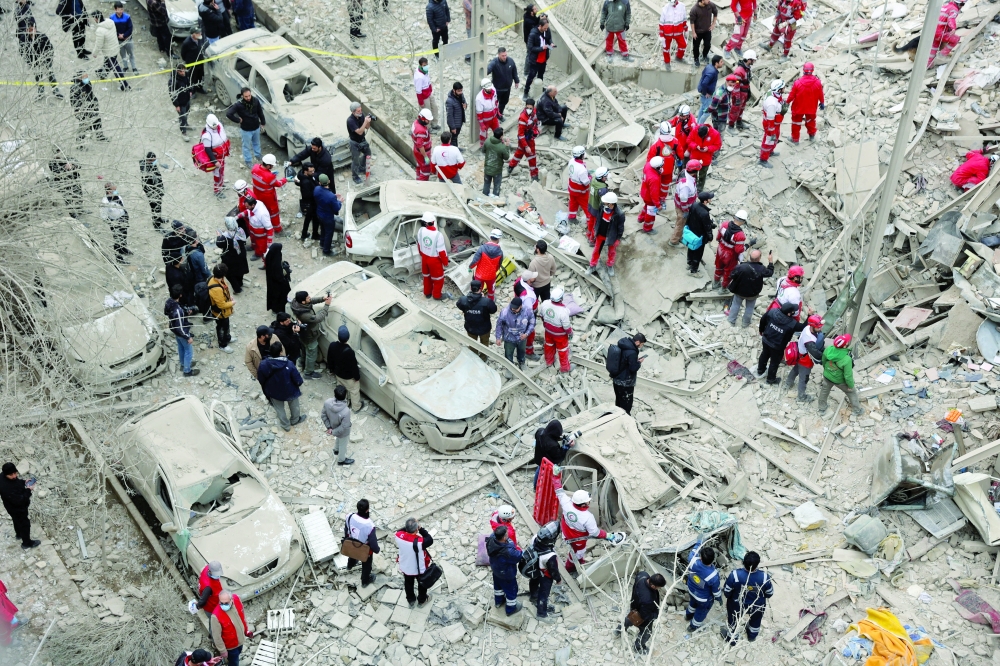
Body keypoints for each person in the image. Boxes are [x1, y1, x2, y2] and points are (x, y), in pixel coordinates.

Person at [553, 468, 614, 572]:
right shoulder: (587, 517)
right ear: (584, 504)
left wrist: (555, 476)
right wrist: (608, 535)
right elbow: (595, 532)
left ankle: (576, 560)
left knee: (573, 547)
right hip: (578, 539)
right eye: (588, 501)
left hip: (566, 530)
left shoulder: (566, 502)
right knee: (578, 553)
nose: (589, 503)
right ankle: (570, 567)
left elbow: (558, 490)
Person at [722, 551, 774, 646]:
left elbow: (727, 591)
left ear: (743, 562)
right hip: (757, 605)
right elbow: (769, 593)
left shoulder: (735, 575)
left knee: (733, 620)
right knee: (756, 619)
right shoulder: (764, 577)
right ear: (757, 564)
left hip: (737, 604)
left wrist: (729, 598)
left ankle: (732, 639)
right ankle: (752, 636)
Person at [257, 341, 305, 430]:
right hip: (290, 390)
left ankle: (285, 425)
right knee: (294, 406)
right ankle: (295, 420)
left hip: (274, 391)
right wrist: (299, 383)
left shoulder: (263, 364)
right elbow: (298, 379)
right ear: (280, 352)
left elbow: (261, 379)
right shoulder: (289, 364)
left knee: (280, 409)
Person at [757, 301, 805, 384]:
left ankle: (760, 370)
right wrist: (810, 315)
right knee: (774, 362)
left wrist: (761, 331)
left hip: (766, 339)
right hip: (777, 346)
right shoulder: (792, 324)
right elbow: (803, 327)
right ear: (789, 314)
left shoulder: (772, 312)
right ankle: (771, 379)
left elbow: (762, 320)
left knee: (764, 354)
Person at [616, 571, 665, 654]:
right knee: (646, 633)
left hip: (634, 606)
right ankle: (638, 647)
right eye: (658, 588)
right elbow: (644, 616)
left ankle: (619, 629)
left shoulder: (642, 575)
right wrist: (655, 615)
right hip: (642, 614)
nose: (658, 589)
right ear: (653, 586)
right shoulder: (648, 599)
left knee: (630, 618)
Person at [818, 334, 864, 415]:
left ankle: (822, 408)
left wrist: (827, 371)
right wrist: (850, 386)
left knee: (824, 391)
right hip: (839, 380)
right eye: (847, 342)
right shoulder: (847, 359)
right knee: (851, 392)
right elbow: (848, 375)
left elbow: (824, 361)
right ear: (845, 345)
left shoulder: (828, 349)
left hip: (827, 376)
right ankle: (857, 410)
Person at [726, 249, 773, 327]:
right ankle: (745, 323)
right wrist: (770, 261)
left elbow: (731, 275)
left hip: (739, 291)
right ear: (759, 258)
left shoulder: (741, 267)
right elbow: (770, 273)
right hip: (753, 293)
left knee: (735, 305)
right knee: (749, 308)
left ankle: (731, 320)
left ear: (750, 257)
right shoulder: (761, 269)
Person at [290, 290, 331, 378]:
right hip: (310, 336)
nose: (310, 298)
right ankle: (308, 372)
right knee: (312, 354)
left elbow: (310, 301)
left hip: (303, 334)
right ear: (303, 302)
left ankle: (302, 362)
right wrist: (327, 305)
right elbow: (319, 318)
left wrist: (322, 299)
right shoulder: (305, 315)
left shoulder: (297, 303)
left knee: (304, 350)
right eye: (308, 297)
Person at [395, 518, 434, 607]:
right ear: (416, 530)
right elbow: (430, 539)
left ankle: (411, 600)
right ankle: (422, 600)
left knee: (408, 583)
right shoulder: (420, 542)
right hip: (419, 568)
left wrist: (409, 527)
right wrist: (420, 528)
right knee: (422, 584)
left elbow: (399, 530)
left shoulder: (398, 536)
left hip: (406, 566)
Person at [785, 314, 824, 402]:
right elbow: (816, 354)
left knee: (796, 369)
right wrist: (824, 356)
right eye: (818, 327)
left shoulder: (807, 328)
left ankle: (788, 383)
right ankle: (801, 396)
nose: (820, 329)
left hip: (800, 352)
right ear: (813, 326)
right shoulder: (809, 340)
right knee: (804, 378)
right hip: (806, 359)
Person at [0, 463, 39, 549]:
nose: (14, 476)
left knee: (16, 520)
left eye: (15, 473)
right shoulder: (6, 488)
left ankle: (19, 534)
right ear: (6, 474)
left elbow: (15, 482)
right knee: (25, 524)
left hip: (9, 507)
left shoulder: (2, 475)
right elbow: (20, 500)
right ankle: (27, 543)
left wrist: (24, 482)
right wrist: (29, 490)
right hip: (18, 508)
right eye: (11, 475)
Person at [486, 525, 523, 615]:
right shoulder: (508, 551)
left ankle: (498, 602)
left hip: (495, 569)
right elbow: (518, 557)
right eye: (507, 534)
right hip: (506, 574)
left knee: (498, 587)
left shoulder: (491, 538)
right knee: (511, 591)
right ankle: (511, 609)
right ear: (504, 537)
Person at [684, 544, 721, 633]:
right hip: (703, 599)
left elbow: (693, 551)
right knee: (701, 612)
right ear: (713, 560)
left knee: (692, 603)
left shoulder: (693, 561)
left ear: (700, 557)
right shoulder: (713, 575)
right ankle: (693, 626)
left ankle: (688, 615)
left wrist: (699, 542)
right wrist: (719, 599)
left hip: (691, 590)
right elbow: (716, 591)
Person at [210, 590, 253, 666]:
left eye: (226, 603)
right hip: (231, 647)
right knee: (234, 662)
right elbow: (217, 636)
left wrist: (246, 631)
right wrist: (223, 651)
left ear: (231, 600)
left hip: (240, 640)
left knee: (238, 654)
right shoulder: (216, 616)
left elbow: (242, 617)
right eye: (221, 603)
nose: (223, 605)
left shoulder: (236, 599)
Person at [226, 87, 266, 169]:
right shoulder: (238, 104)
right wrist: (237, 120)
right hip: (246, 130)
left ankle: (258, 155)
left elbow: (260, 112)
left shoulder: (255, 100)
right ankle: (248, 161)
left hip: (256, 127)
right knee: (246, 146)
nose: (248, 98)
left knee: (257, 143)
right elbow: (229, 114)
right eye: (246, 96)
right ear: (242, 96)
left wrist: (263, 122)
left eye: (249, 95)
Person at [19, 19, 60, 100]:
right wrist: (30, 62)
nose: (31, 31)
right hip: (34, 62)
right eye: (28, 29)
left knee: (51, 75)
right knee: (38, 77)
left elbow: (50, 49)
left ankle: (56, 91)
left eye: (32, 29)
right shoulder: (23, 39)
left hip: (45, 60)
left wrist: (48, 61)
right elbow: (22, 52)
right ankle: (41, 92)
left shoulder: (43, 37)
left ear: (35, 29)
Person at [785, 62, 825, 143]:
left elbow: (792, 95)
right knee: (811, 121)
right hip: (811, 107)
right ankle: (812, 136)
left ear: (803, 70)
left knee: (796, 123)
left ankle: (795, 139)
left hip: (798, 107)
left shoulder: (797, 82)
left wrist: (787, 102)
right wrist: (822, 102)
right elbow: (820, 94)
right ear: (813, 70)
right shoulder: (817, 82)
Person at [588, 191, 625, 276]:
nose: (604, 204)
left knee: (611, 252)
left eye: (606, 203)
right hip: (600, 235)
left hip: (611, 236)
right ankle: (592, 265)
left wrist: (618, 239)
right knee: (596, 250)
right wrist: (595, 230)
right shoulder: (602, 207)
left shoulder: (619, 214)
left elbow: (620, 228)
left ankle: (610, 265)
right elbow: (598, 219)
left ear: (611, 204)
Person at [91, 11, 130, 91]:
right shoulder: (110, 22)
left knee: (115, 67)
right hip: (115, 47)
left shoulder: (100, 30)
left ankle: (124, 84)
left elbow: (99, 44)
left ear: (96, 18)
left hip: (109, 51)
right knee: (108, 62)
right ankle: (102, 73)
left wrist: (95, 53)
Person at [165, 284, 199, 376]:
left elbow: (166, 312)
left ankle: (183, 364)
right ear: (180, 295)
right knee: (188, 350)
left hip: (174, 330)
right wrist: (187, 337)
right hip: (181, 332)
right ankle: (187, 370)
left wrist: (185, 314)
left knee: (181, 347)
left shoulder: (169, 302)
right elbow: (180, 327)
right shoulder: (178, 311)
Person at [713, 209, 752, 290]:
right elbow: (739, 250)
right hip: (730, 255)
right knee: (728, 272)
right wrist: (748, 245)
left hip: (720, 249)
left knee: (718, 266)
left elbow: (718, 237)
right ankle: (723, 289)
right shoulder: (740, 235)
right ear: (743, 221)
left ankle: (715, 283)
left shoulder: (724, 224)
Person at [327, 326, 363, 411]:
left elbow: (329, 359)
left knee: (342, 390)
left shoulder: (332, 345)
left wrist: (331, 370)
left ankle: (345, 403)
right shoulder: (349, 352)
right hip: (349, 378)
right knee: (354, 391)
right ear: (348, 337)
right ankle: (356, 407)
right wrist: (357, 377)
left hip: (338, 374)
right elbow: (353, 367)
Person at [345, 500, 379, 586]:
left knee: (352, 555)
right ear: (367, 510)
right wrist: (377, 550)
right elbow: (373, 544)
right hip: (364, 548)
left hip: (352, 543)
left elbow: (346, 530)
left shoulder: (349, 516)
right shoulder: (370, 525)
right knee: (366, 565)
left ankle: (350, 565)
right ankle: (365, 581)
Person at [417, 212, 450, 300]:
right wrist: (445, 262)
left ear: (424, 222)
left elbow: (419, 245)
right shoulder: (438, 235)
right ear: (433, 221)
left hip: (424, 258)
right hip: (434, 260)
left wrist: (422, 254)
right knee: (438, 279)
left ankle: (427, 293)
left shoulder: (421, 231)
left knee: (426, 277)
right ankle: (436, 295)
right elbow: (441, 251)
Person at [495, 297, 534, 369]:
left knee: (522, 351)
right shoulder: (505, 312)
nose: (513, 309)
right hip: (509, 338)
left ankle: (521, 362)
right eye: (512, 307)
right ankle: (509, 367)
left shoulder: (528, 311)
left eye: (515, 308)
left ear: (521, 306)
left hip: (522, 338)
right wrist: (498, 337)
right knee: (508, 353)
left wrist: (527, 334)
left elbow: (532, 323)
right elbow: (499, 325)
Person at [610, 332, 645, 414]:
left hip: (616, 379)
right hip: (625, 383)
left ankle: (616, 417)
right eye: (642, 344)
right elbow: (633, 368)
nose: (641, 346)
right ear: (637, 342)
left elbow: (624, 361)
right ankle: (624, 420)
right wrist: (639, 363)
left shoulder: (623, 345)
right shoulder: (632, 352)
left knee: (618, 401)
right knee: (626, 405)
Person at [252, 154, 287, 234]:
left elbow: (261, 176)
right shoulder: (269, 176)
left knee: (261, 210)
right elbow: (278, 184)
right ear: (268, 165)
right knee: (273, 213)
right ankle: (278, 229)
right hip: (268, 197)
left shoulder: (255, 167)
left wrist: (270, 173)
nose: (272, 167)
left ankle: (264, 225)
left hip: (257, 194)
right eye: (271, 165)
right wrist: (285, 179)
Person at [540, 286, 572, 373]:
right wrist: (570, 333)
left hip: (548, 332)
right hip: (560, 335)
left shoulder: (545, 303)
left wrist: (546, 324)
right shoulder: (563, 310)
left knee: (549, 345)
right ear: (561, 298)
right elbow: (566, 326)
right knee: (562, 351)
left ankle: (549, 361)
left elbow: (541, 316)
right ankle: (565, 368)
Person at [457, 280, 497, 346]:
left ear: (470, 288)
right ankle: (483, 356)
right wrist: (483, 298)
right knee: (484, 345)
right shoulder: (486, 302)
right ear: (481, 288)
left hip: (470, 327)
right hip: (484, 328)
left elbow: (459, 305)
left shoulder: (463, 300)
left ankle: (474, 355)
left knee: (472, 345)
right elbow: (493, 310)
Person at [646, 123, 676, 210]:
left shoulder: (655, 144)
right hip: (668, 169)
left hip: (657, 170)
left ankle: (656, 201)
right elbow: (680, 153)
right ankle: (661, 200)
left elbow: (649, 159)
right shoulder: (675, 141)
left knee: (656, 186)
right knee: (665, 186)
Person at [507, 98, 540, 181]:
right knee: (529, 156)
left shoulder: (534, 112)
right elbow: (521, 135)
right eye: (527, 108)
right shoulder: (523, 118)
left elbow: (535, 121)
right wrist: (526, 146)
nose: (529, 110)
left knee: (521, 153)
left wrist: (537, 129)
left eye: (530, 108)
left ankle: (512, 166)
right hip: (524, 139)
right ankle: (534, 175)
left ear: (533, 107)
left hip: (530, 137)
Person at [70, 72, 107, 144]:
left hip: (91, 107)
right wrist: (82, 107)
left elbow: (91, 95)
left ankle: (100, 136)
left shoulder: (88, 84)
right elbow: (74, 101)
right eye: (85, 77)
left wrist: (95, 102)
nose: (87, 78)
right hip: (82, 110)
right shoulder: (75, 87)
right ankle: (79, 142)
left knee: (97, 119)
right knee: (84, 125)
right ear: (80, 78)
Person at [669, 159, 700, 244]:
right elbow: (683, 200)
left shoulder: (684, 171)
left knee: (680, 222)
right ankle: (674, 241)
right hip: (683, 208)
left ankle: (678, 233)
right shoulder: (686, 185)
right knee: (681, 225)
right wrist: (685, 211)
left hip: (681, 205)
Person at [323, 385, 355, 465]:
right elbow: (344, 426)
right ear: (345, 396)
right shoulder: (346, 411)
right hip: (342, 431)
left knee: (338, 438)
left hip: (333, 426)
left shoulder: (327, 402)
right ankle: (341, 460)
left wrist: (329, 428)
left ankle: (336, 450)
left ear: (334, 394)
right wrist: (333, 432)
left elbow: (323, 415)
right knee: (343, 445)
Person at [216, 219, 249, 295]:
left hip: (230, 257)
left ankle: (237, 289)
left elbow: (219, 244)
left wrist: (219, 236)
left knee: (229, 274)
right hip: (241, 254)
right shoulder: (240, 230)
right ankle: (240, 283)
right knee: (240, 268)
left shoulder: (225, 238)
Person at [685, 191, 715, 274]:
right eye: (709, 198)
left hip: (691, 232)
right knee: (698, 253)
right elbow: (707, 228)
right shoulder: (705, 213)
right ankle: (693, 270)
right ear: (705, 201)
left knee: (691, 247)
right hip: (700, 236)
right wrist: (710, 237)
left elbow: (690, 217)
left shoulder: (694, 205)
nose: (711, 199)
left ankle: (689, 262)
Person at [207, 263, 235, 352]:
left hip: (224, 312)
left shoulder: (214, 278)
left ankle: (227, 337)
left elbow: (225, 290)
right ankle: (222, 345)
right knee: (221, 327)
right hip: (220, 313)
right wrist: (232, 303)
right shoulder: (216, 289)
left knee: (226, 325)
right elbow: (221, 305)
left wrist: (228, 297)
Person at [313, 174, 343, 256]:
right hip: (328, 217)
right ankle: (326, 251)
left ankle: (322, 244)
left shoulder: (316, 189)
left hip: (319, 214)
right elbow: (336, 208)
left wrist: (333, 196)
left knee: (323, 229)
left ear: (319, 183)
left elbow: (323, 197)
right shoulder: (331, 196)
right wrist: (339, 201)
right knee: (329, 233)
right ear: (329, 181)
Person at [469, 230, 504, 300]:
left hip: (479, 275)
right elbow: (498, 265)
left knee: (477, 290)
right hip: (491, 276)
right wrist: (494, 270)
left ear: (490, 237)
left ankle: (477, 301)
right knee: (491, 291)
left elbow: (475, 261)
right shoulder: (500, 252)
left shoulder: (482, 248)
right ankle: (490, 301)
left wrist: (470, 267)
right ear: (499, 239)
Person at [100, 182, 130, 263]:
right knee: (117, 240)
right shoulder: (105, 202)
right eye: (114, 190)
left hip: (123, 218)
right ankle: (118, 257)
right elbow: (103, 216)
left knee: (124, 236)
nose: (116, 191)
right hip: (115, 222)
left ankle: (123, 249)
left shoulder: (118, 197)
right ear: (109, 191)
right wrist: (112, 224)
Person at [524, 17, 554, 99]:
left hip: (543, 58)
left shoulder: (547, 30)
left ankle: (539, 88)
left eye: (547, 28)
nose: (546, 29)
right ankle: (526, 91)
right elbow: (530, 48)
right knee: (531, 76)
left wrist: (551, 43)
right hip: (535, 59)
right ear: (540, 26)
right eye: (545, 28)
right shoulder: (533, 34)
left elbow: (549, 39)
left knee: (541, 74)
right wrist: (541, 48)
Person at [759, 79, 785, 168]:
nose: (785, 88)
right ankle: (763, 159)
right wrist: (771, 130)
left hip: (775, 124)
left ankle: (770, 151)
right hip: (771, 125)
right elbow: (770, 119)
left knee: (775, 138)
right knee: (769, 140)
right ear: (779, 90)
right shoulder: (772, 104)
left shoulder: (773, 93)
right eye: (783, 87)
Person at [202, 113, 230, 195]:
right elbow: (207, 150)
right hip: (216, 157)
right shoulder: (207, 135)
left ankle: (220, 184)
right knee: (217, 173)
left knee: (221, 171)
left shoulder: (219, 125)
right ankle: (217, 190)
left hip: (222, 155)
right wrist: (215, 161)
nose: (215, 127)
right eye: (213, 126)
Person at [488, 48, 519, 120]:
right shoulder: (494, 62)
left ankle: (499, 114)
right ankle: (492, 117)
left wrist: (516, 81)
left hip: (507, 88)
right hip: (497, 89)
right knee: (493, 104)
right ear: (498, 55)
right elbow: (488, 68)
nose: (505, 57)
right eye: (503, 56)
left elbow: (514, 72)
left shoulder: (510, 61)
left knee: (504, 102)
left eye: (505, 55)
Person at [50, 149, 83, 216]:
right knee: (68, 199)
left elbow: (79, 165)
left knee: (79, 196)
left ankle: (79, 209)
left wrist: (73, 165)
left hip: (74, 181)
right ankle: (72, 213)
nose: (59, 154)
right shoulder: (52, 163)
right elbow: (57, 172)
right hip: (64, 184)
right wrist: (65, 168)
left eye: (60, 152)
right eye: (57, 153)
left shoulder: (68, 158)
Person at [930, 0, 964, 65]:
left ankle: (929, 64)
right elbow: (951, 19)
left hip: (933, 31)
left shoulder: (945, 6)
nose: (962, 7)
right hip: (941, 32)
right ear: (960, 4)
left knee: (934, 46)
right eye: (962, 5)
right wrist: (953, 28)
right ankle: (942, 55)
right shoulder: (954, 9)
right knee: (956, 39)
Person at [687, 124, 722, 189]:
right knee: (692, 173)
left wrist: (708, 148)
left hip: (705, 158)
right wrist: (695, 146)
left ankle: (700, 187)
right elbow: (689, 140)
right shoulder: (695, 130)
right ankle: (692, 186)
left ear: (706, 134)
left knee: (702, 174)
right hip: (694, 157)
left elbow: (718, 145)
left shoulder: (715, 134)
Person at [566, 146, 592, 229]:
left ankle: (572, 217)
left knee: (573, 203)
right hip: (580, 192)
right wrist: (590, 177)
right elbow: (586, 182)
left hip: (572, 188)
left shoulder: (571, 161)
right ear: (582, 155)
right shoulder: (582, 170)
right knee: (587, 207)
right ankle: (590, 224)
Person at [728, 51, 756, 131]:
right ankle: (731, 126)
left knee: (741, 108)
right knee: (735, 109)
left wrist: (748, 92)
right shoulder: (739, 71)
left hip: (744, 92)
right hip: (739, 93)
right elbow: (736, 85)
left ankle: (739, 122)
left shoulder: (746, 68)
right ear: (749, 60)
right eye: (753, 60)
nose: (754, 61)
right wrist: (737, 98)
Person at [347, 102, 373, 184]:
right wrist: (365, 121)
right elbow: (359, 132)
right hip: (354, 142)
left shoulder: (361, 116)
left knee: (368, 153)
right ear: (353, 111)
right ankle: (355, 176)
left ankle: (362, 168)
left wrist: (368, 121)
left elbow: (367, 127)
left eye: (361, 110)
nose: (360, 112)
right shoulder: (350, 120)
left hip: (362, 140)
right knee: (355, 160)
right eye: (358, 111)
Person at [139, 152, 166, 228]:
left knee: (159, 207)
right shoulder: (146, 172)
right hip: (153, 193)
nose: (155, 161)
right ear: (149, 160)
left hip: (158, 190)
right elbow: (147, 186)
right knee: (155, 208)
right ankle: (157, 225)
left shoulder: (151, 165)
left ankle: (159, 219)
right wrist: (155, 193)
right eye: (153, 160)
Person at [639, 155, 664, 234]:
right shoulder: (654, 179)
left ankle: (641, 218)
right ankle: (647, 228)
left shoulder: (648, 165)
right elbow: (654, 194)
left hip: (644, 192)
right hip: (650, 197)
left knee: (646, 206)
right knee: (651, 213)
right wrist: (658, 205)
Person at [689, 0, 718, 67]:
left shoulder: (710, 5)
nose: (709, 0)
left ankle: (704, 55)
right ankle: (696, 59)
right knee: (696, 47)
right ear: (702, 1)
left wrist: (713, 24)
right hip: (698, 32)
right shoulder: (694, 9)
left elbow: (715, 13)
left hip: (707, 30)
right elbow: (692, 22)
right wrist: (693, 32)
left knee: (707, 45)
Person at [263, 243, 290, 315]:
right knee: (280, 297)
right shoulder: (275, 263)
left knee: (275, 296)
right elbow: (278, 276)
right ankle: (279, 310)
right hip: (278, 284)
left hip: (273, 283)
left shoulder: (271, 256)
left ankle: (275, 309)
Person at [482, 127, 510, 196]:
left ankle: (484, 197)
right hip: (497, 170)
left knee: (486, 184)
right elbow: (506, 157)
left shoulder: (487, 141)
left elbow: (483, 150)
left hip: (488, 168)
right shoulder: (502, 147)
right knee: (497, 186)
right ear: (500, 137)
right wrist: (507, 146)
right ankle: (495, 200)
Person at [295, 164, 319, 241]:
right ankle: (315, 234)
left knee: (308, 218)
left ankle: (304, 234)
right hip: (311, 203)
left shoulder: (304, 176)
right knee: (315, 219)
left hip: (309, 203)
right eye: (311, 171)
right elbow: (307, 195)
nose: (313, 172)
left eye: (313, 170)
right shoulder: (306, 182)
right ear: (305, 172)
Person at [658, 0, 686, 69]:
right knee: (666, 48)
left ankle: (679, 57)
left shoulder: (682, 6)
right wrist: (661, 35)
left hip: (678, 31)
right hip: (667, 33)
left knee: (683, 45)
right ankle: (667, 62)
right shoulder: (666, 8)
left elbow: (684, 19)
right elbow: (661, 22)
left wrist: (686, 29)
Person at [110, 1, 136, 72]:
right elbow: (112, 29)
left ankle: (134, 68)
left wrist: (124, 35)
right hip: (119, 41)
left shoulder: (127, 17)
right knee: (123, 55)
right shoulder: (112, 18)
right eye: (119, 9)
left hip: (128, 39)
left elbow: (130, 28)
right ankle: (125, 67)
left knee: (131, 54)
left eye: (122, 9)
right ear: (115, 9)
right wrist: (118, 35)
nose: (121, 11)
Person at [475, 79, 500, 148]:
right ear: (484, 88)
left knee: (498, 131)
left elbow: (496, 101)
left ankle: (498, 143)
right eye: (488, 89)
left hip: (494, 117)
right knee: (483, 135)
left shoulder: (493, 90)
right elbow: (479, 113)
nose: (489, 90)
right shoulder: (479, 98)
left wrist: (497, 111)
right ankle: (483, 146)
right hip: (485, 120)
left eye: (490, 88)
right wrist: (482, 124)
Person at [696, 55, 722, 122]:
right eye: (721, 62)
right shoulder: (712, 72)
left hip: (704, 93)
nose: (723, 63)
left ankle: (698, 124)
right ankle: (699, 126)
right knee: (707, 112)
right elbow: (704, 83)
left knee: (702, 109)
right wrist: (706, 93)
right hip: (707, 95)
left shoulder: (709, 66)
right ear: (716, 63)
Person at [169, 64, 193, 135]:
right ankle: (183, 131)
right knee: (183, 117)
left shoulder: (186, 75)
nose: (183, 73)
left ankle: (185, 124)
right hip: (180, 103)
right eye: (180, 71)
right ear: (177, 71)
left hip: (187, 99)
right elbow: (172, 94)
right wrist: (177, 105)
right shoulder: (173, 81)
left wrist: (191, 91)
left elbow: (189, 84)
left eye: (183, 71)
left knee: (187, 113)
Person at [180, 28, 207, 93]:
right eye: (198, 33)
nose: (200, 34)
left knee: (201, 75)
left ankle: (200, 88)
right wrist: (189, 61)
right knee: (193, 77)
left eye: (200, 32)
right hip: (192, 64)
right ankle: (193, 90)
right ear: (193, 34)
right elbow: (183, 54)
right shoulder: (186, 43)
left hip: (200, 61)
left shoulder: (199, 39)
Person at [413, 57, 438, 126]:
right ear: (421, 65)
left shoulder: (425, 71)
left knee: (434, 108)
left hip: (429, 93)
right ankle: (427, 128)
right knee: (427, 113)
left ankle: (434, 124)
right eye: (424, 65)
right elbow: (418, 91)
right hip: (424, 97)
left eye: (426, 64)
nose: (426, 66)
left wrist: (430, 90)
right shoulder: (419, 77)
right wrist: (421, 102)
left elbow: (428, 81)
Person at [412, 109, 434, 181]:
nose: (429, 122)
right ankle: (421, 184)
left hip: (417, 150)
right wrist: (425, 156)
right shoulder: (421, 130)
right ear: (423, 119)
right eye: (428, 120)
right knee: (425, 171)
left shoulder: (416, 123)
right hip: (422, 152)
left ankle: (418, 179)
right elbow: (420, 145)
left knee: (419, 165)